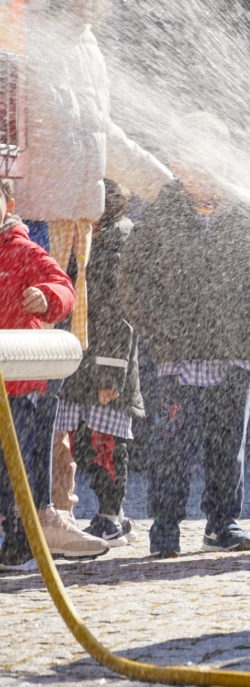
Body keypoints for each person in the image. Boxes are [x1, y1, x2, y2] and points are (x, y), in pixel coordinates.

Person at [15, 0, 172, 520]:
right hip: (33, 227)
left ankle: (49, 506)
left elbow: (104, 136)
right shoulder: (18, 30)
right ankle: (27, 511)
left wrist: (164, 187)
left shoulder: (86, 43)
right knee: (30, 379)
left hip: (77, 226)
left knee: (56, 373)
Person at [118, 113, 250, 558]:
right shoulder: (161, 215)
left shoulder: (248, 214)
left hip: (235, 355)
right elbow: (132, 277)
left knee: (227, 445)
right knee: (172, 444)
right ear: (176, 162)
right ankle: (165, 524)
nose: (207, 171)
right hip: (177, 357)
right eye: (196, 160)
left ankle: (222, 521)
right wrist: (159, 330)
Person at [0, 178, 101, 571]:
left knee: (18, 468)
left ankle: (23, 544)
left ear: (9, 206)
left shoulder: (22, 250)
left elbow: (62, 286)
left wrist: (45, 298)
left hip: (20, 386)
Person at [56, 180, 143, 546]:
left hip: (106, 368)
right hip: (78, 363)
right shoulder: (83, 235)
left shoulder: (117, 242)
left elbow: (117, 315)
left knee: (106, 444)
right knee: (82, 446)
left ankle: (113, 516)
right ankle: (87, 514)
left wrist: (109, 375)